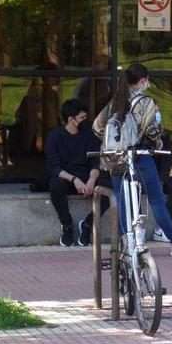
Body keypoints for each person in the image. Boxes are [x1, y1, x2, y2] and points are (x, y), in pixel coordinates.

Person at [92, 63, 172, 257]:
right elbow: (155, 132)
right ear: (142, 81)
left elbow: (97, 127)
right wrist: (156, 145)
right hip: (140, 156)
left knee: (122, 200)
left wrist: (114, 142)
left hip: (117, 158)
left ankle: (124, 244)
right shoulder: (147, 103)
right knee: (156, 200)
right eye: (147, 80)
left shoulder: (115, 101)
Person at [44, 99, 110, 247]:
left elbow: (95, 163)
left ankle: (87, 225)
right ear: (71, 120)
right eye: (82, 118)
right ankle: (66, 225)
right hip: (66, 178)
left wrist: (91, 181)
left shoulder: (89, 135)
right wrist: (74, 179)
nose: (85, 121)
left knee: (109, 189)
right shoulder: (54, 136)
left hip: (87, 178)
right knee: (56, 185)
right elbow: (54, 167)